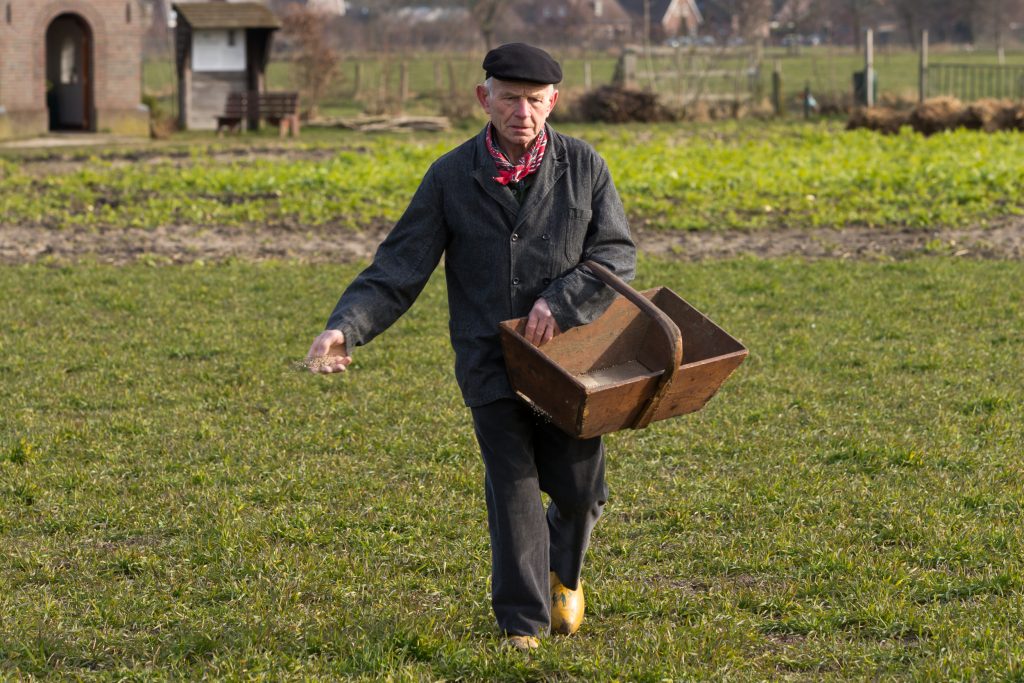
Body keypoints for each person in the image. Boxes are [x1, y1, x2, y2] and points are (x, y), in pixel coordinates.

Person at [306, 42, 636, 651]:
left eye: (536, 101)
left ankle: (565, 570)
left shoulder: (584, 166)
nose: (523, 112)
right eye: (509, 98)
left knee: (580, 489)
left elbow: (616, 254)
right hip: (489, 359)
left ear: (553, 102)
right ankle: (522, 623)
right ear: (484, 98)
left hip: (569, 362)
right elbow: (399, 267)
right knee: (511, 485)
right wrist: (345, 326)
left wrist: (558, 304)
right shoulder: (450, 176)